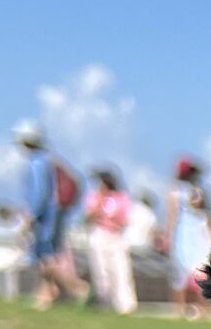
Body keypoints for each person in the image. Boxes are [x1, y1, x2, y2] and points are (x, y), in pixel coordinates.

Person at [16, 122, 87, 310]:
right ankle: (46, 295)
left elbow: (40, 194)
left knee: (46, 258)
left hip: (45, 218)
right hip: (53, 215)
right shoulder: (47, 160)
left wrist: (30, 216)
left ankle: (77, 288)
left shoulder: (37, 163)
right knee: (45, 258)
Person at [161, 157, 211, 320]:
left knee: (197, 272)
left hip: (196, 234)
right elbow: (172, 215)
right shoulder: (180, 191)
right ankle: (180, 308)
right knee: (182, 274)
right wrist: (168, 235)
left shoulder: (193, 190)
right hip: (183, 235)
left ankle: (199, 309)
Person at [83, 167, 137, 314]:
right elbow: (89, 216)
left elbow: (124, 219)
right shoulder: (95, 196)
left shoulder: (122, 197)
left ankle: (125, 306)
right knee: (101, 271)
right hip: (98, 234)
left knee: (121, 271)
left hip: (116, 236)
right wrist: (100, 199)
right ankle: (104, 303)